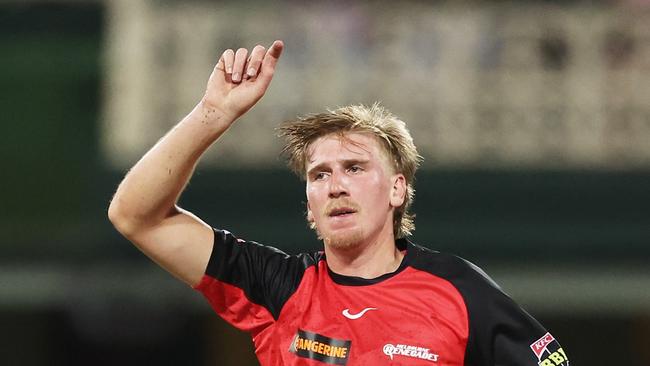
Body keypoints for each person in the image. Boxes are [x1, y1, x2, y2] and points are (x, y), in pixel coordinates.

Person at [108, 40, 569, 366]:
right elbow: (135, 216)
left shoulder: (460, 289)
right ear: (309, 205)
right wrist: (213, 114)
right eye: (319, 175)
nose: (335, 186)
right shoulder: (277, 287)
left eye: (354, 168)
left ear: (397, 190)